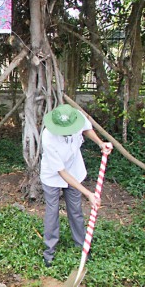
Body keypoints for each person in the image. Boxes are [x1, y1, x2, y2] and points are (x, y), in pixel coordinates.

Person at [41, 104, 112, 267]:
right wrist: (88, 194)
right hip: (53, 175)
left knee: (76, 210)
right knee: (52, 212)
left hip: (75, 169)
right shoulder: (48, 137)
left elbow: (86, 129)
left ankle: (82, 246)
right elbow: (62, 173)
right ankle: (49, 252)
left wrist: (100, 143)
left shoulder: (78, 118)